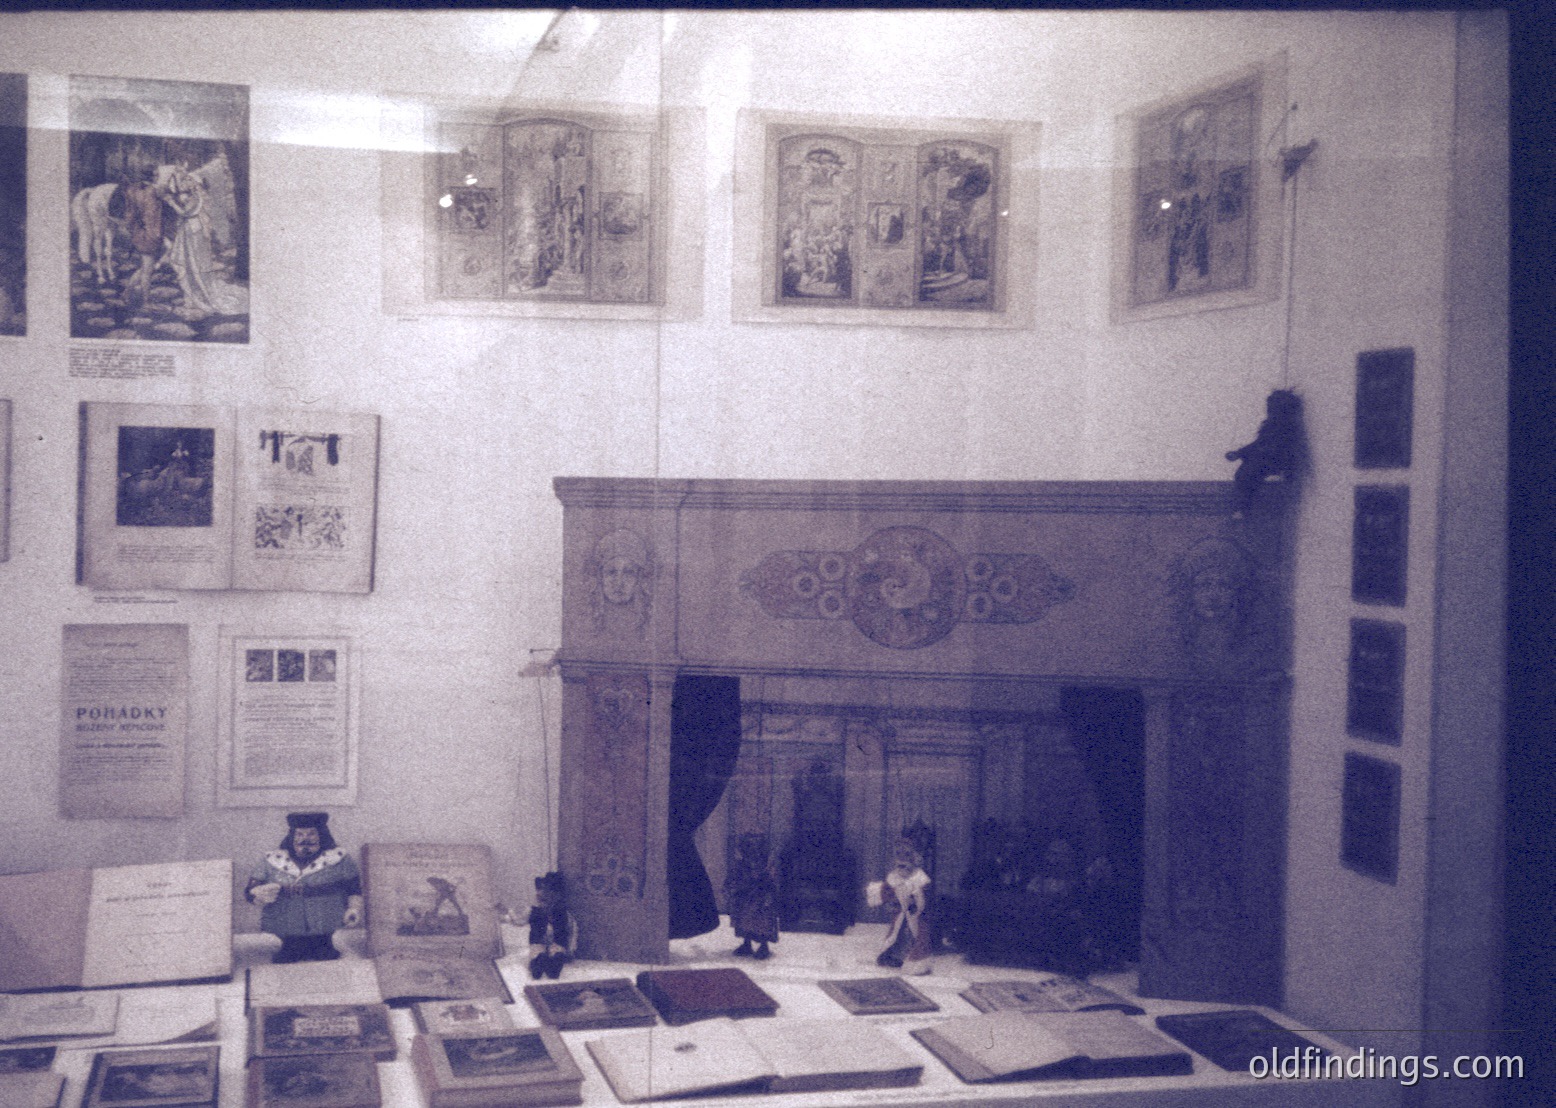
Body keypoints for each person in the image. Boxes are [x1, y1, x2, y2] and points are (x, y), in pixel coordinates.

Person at [245, 812, 362, 964]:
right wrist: (256, 893)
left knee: (323, 945)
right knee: (290, 944)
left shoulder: (339, 859)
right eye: (299, 834)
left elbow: (353, 887)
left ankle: (323, 945)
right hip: (285, 918)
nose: (304, 839)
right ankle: (289, 947)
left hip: (325, 918)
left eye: (311, 834)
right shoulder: (272, 861)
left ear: (321, 835)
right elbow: (252, 888)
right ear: (292, 836)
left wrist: (353, 908)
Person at [866, 831, 934, 974]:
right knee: (897, 934)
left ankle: (917, 963)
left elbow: (923, 898)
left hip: (916, 915)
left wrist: (915, 905)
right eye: (899, 854)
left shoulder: (920, 878)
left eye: (907, 855)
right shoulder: (894, 877)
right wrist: (880, 893)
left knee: (916, 936)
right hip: (900, 912)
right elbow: (888, 891)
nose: (902, 859)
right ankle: (892, 956)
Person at [724, 832, 778, 960]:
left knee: (762, 921)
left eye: (756, 848)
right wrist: (730, 888)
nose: (752, 852)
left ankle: (764, 945)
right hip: (744, 896)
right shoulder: (741, 865)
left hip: (761, 897)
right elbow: (733, 878)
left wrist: (767, 888)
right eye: (748, 848)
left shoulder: (766, 866)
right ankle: (746, 943)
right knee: (743, 919)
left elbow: (772, 882)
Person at [527, 871, 575, 979]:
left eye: (545, 890)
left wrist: (569, 950)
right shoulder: (536, 911)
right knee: (537, 949)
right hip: (540, 941)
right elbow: (522, 920)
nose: (539, 893)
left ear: (556, 894)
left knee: (557, 950)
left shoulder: (561, 913)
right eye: (539, 889)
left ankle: (554, 964)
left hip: (556, 941)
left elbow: (570, 932)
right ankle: (539, 961)